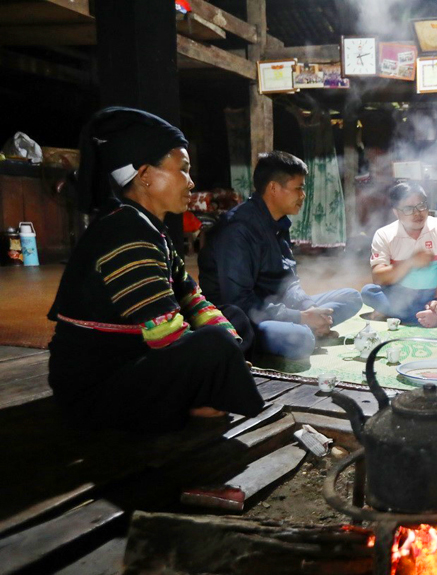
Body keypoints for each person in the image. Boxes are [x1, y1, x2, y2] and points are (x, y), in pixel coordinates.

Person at [47, 107, 264, 432]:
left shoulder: (148, 227)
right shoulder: (125, 233)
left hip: (135, 359)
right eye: (183, 170)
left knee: (233, 318)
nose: (191, 182)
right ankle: (200, 398)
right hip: (97, 387)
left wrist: (228, 351)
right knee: (214, 343)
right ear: (146, 174)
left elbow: (192, 298)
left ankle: (204, 391)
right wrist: (222, 359)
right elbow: (165, 334)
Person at [198, 151, 362, 360]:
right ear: (274, 188)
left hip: (276, 307)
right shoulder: (238, 230)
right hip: (242, 318)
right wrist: (300, 317)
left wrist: (308, 307)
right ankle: (307, 333)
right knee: (301, 339)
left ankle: (313, 328)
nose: (303, 195)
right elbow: (239, 302)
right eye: (298, 188)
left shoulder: (279, 223)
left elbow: (289, 282)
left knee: (351, 297)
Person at [361, 182, 437, 327]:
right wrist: (410, 262)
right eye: (408, 209)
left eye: (421, 206)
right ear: (396, 212)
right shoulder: (384, 234)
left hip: (434, 293)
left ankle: (399, 313)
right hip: (400, 295)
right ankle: (432, 316)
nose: (417, 213)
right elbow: (378, 277)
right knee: (368, 292)